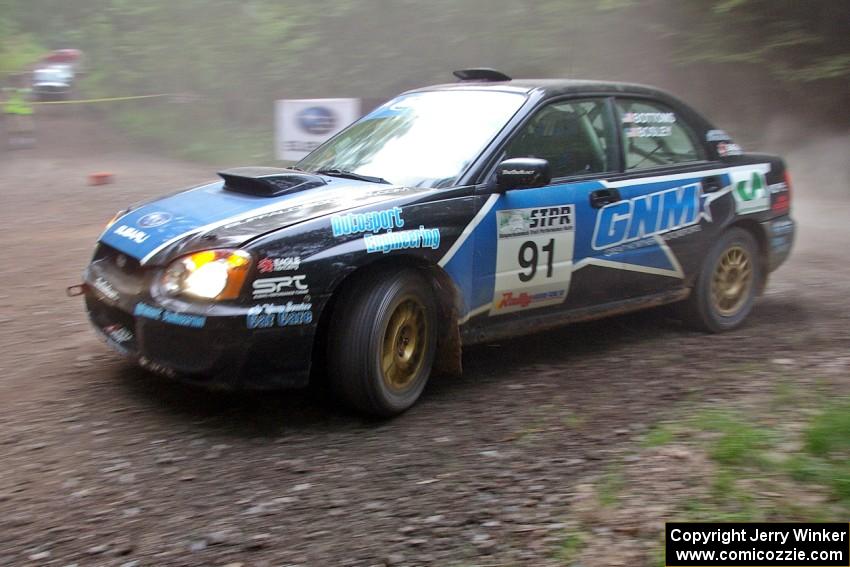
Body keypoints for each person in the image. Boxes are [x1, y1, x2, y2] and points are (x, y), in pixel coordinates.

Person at [3, 78, 35, 148]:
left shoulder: (23, 91)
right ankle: (16, 142)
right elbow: (6, 90)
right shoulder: (10, 90)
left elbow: (29, 91)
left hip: (22, 110)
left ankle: (26, 141)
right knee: (16, 126)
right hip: (14, 110)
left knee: (24, 126)